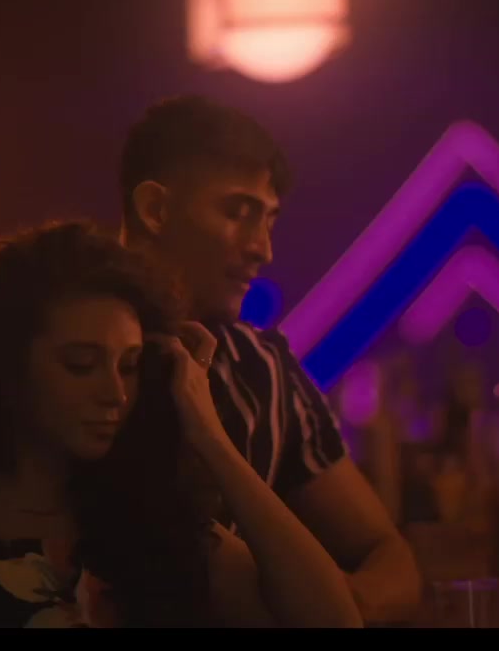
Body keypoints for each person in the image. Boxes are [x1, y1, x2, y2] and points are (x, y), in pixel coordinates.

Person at [0, 221, 363, 628]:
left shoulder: (151, 524)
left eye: (129, 366)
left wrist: (211, 437)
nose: (115, 392)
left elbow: (334, 619)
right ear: (7, 366)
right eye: (80, 364)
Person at [117, 95, 422, 623]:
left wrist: (328, 606)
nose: (263, 248)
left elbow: (388, 558)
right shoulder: (69, 352)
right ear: (155, 210)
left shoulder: (263, 369)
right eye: (238, 213)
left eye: (269, 220)